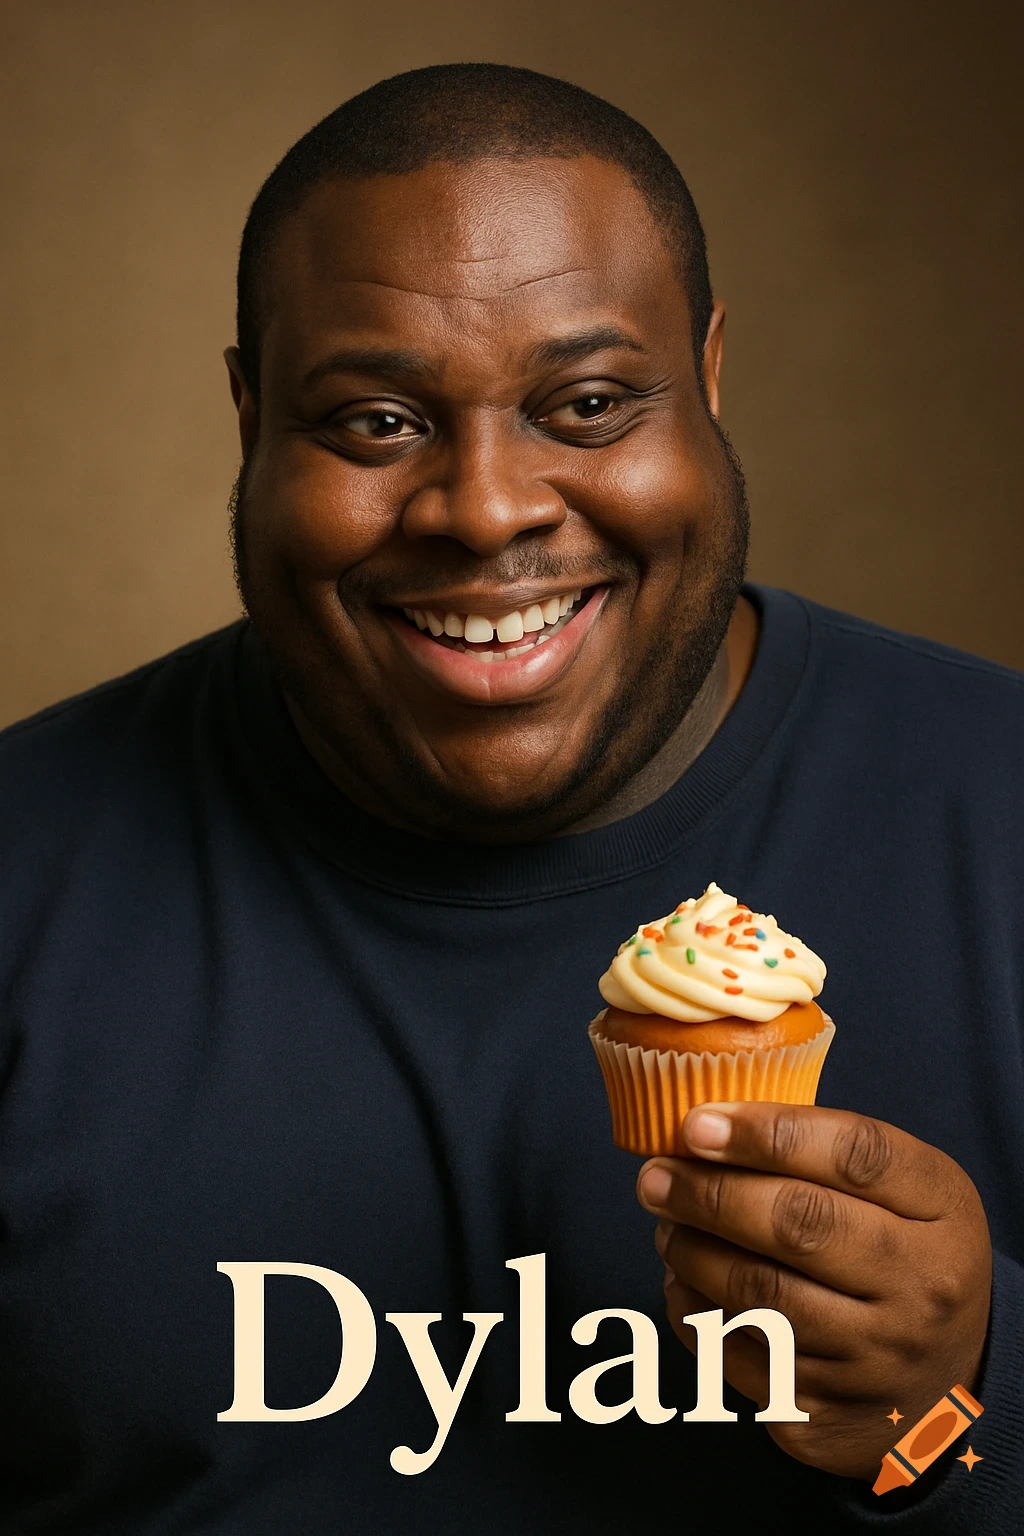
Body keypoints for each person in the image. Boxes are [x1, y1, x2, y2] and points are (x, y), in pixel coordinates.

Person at [0, 62, 1020, 1536]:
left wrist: (960, 1412)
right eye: (374, 422)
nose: (487, 508)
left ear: (713, 376)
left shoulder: (999, 812)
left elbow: (977, 1456)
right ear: (248, 414)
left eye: (590, 403)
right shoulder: (27, 876)